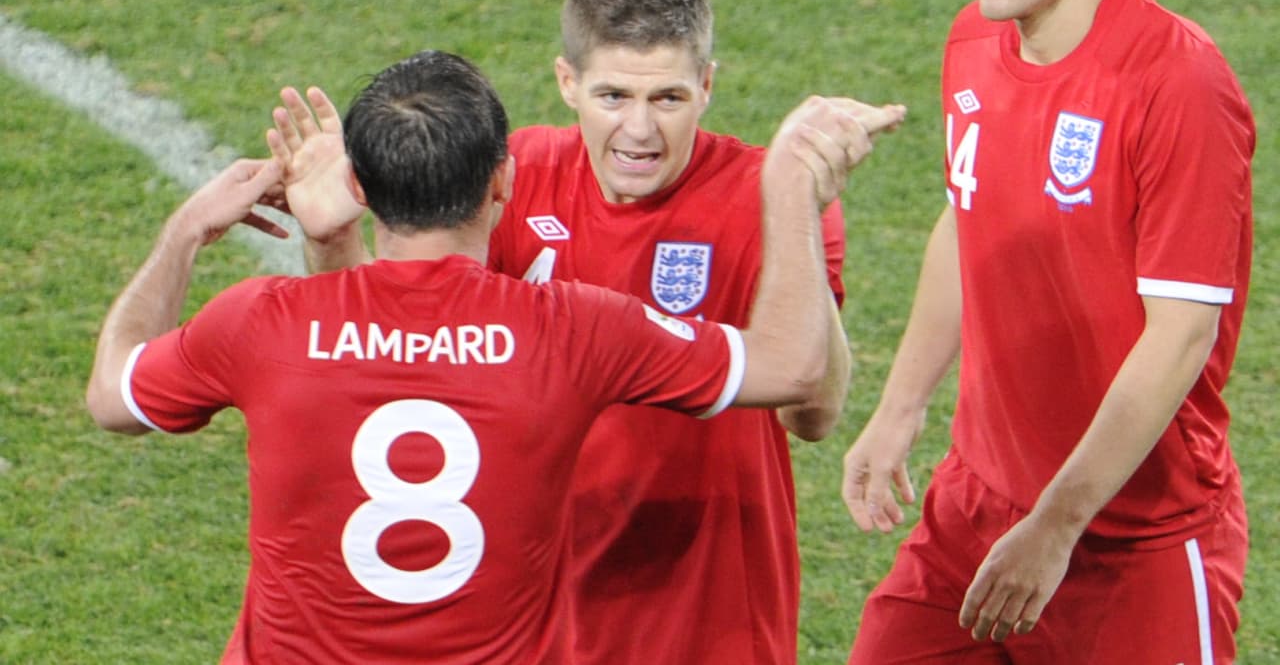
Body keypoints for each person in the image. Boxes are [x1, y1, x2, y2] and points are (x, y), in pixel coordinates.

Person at [87, 50, 898, 664]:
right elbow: (795, 372)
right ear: (504, 183)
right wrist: (791, 186)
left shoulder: (263, 323)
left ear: (362, 187)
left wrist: (188, 230)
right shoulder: (572, 328)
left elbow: (114, 396)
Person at [273, 0, 907, 663]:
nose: (639, 129)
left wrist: (798, 207)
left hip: (708, 617)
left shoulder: (768, 194)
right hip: (535, 617)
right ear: (567, 82)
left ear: (707, 85)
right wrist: (331, 239)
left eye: (667, 97)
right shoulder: (520, 176)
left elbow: (812, 413)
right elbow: (400, 352)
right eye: (612, 95)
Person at [841, 0, 1254, 665]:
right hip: (976, 506)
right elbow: (967, 215)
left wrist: (1057, 524)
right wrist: (900, 407)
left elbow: (1181, 335)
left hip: (1134, 540)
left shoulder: (1178, 84)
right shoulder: (972, 42)